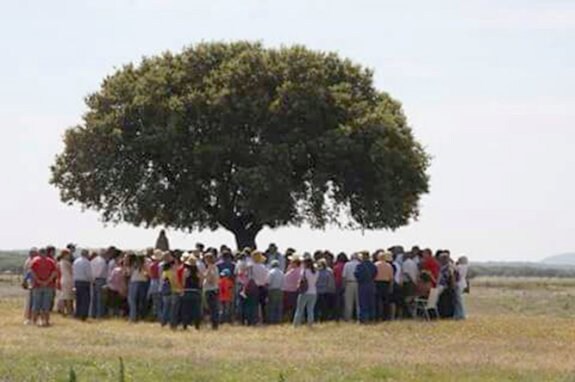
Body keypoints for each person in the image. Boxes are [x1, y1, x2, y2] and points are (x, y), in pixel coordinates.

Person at [29, 247, 58, 327]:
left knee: (36, 304)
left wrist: (38, 281)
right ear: (46, 253)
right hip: (48, 285)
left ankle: (34, 321)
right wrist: (47, 281)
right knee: (46, 304)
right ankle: (46, 321)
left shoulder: (34, 261)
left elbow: (32, 272)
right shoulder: (51, 261)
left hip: (37, 285)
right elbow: (54, 273)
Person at [293, 257, 319, 327]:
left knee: (299, 309)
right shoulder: (316, 272)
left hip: (305, 292)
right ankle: (310, 324)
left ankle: (296, 324)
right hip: (313, 292)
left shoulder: (304, 271)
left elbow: (301, 280)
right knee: (310, 310)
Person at [354, 251, 377, 323]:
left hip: (363, 285)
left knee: (363, 302)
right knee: (371, 302)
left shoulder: (359, 266)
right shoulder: (373, 265)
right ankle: (372, 318)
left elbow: (357, 275)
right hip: (371, 284)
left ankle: (364, 319)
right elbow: (375, 274)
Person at [181, 255, 203, 330]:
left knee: (186, 310)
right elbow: (200, 283)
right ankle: (197, 325)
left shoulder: (186, 271)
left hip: (187, 291)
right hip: (195, 292)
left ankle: (185, 325)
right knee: (196, 310)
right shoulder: (198, 272)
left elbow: (183, 283)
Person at [126, 252, 149, 322]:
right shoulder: (145, 264)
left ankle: (133, 317)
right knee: (141, 301)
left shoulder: (133, 265)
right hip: (143, 282)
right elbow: (147, 274)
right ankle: (141, 316)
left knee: (132, 301)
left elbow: (128, 273)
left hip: (134, 282)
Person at [73, 249, 93, 321]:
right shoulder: (87, 262)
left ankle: (77, 313)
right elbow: (88, 273)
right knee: (85, 300)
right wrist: (92, 280)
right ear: (86, 254)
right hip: (84, 282)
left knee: (78, 299)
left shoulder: (76, 261)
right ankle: (83, 315)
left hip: (76, 281)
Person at [374, 251, 394, 321]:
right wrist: (391, 287)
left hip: (377, 283)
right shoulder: (389, 266)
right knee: (386, 302)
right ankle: (385, 317)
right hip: (386, 283)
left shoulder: (375, 265)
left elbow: (373, 275)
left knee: (377, 301)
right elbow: (391, 278)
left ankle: (377, 316)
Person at [203, 252, 220, 330]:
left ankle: (214, 324)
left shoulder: (211, 268)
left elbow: (211, 279)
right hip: (213, 289)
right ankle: (214, 323)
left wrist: (207, 278)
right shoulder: (214, 267)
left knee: (212, 308)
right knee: (213, 308)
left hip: (211, 290)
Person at [251, 251, 269, 323]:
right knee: (263, 305)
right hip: (263, 287)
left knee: (254, 305)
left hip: (254, 287)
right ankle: (263, 320)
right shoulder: (264, 267)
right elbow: (267, 279)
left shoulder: (252, 267)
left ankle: (255, 319)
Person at [282, 255, 301, 322]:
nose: (290, 263)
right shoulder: (298, 270)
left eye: (292, 262)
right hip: (292, 290)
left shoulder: (294, 271)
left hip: (291, 291)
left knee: (290, 307)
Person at [90, 249, 108, 319]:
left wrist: (92, 279)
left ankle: (92, 314)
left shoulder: (93, 260)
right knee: (100, 299)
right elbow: (100, 271)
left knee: (93, 298)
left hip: (93, 280)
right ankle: (99, 314)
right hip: (100, 279)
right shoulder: (102, 261)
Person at [342, 253, 360, 321]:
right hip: (358, 283)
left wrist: (343, 286)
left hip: (349, 283)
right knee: (358, 302)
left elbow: (344, 276)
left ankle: (348, 317)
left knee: (348, 302)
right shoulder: (359, 264)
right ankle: (359, 317)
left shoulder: (347, 264)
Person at [266, 259, 284, 324]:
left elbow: (268, 282)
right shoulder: (281, 272)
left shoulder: (271, 272)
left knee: (272, 306)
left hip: (272, 290)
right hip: (280, 290)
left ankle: (271, 320)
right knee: (279, 306)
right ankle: (279, 320)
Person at [57, 249, 74, 316]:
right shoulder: (66, 263)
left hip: (63, 279)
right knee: (68, 297)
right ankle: (69, 311)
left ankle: (62, 310)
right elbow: (71, 272)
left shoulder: (60, 262)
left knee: (63, 296)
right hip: (68, 280)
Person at [332, 252, 347, 321]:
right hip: (346, 284)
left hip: (337, 285)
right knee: (346, 301)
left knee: (338, 302)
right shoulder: (346, 265)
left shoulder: (336, 267)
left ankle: (337, 316)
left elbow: (333, 276)